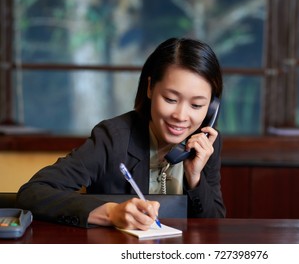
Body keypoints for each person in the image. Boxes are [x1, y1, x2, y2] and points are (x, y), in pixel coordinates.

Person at [16, 37, 226, 230]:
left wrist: (195, 177)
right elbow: (33, 193)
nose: (181, 116)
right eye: (171, 99)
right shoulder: (112, 137)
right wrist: (109, 212)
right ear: (150, 87)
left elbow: (214, 225)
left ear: (211, 108)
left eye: (197, 105)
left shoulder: (205, 144)